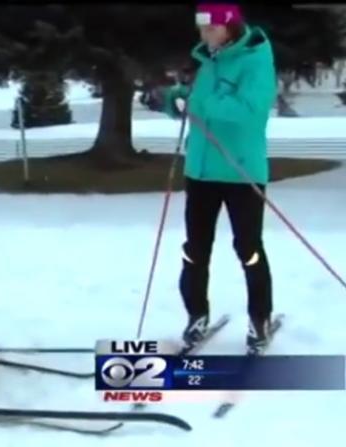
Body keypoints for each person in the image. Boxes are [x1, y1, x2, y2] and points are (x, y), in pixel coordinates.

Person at [160, 3, 277, 354]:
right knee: (195, 249)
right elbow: (197, 104)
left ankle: (260, 319)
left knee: (249, 250)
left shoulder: (256, 60)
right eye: (202, 30)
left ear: (231, 28)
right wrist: (176, 100)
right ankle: (197, 314)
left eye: (212, 29)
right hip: (201, 171)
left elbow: (249, 111)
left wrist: (198, 104)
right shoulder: (208, 61)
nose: (205, 36)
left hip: (242, 171)